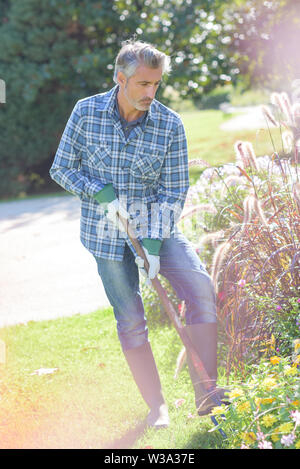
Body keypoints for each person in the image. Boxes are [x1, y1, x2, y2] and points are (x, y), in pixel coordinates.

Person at [50, 39, 226, 429]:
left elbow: (175, 189)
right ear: (120, 78)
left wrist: (152, 242)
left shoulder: (169, 125)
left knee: (199, 287)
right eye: (143, 84)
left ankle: (208, 392)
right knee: (130, 317)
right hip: (103, 235)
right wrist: (96, 191)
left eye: (156, 85)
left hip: (155, 228)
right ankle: (157, 407)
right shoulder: (86, 112)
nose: (151, 93)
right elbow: (61, 168)